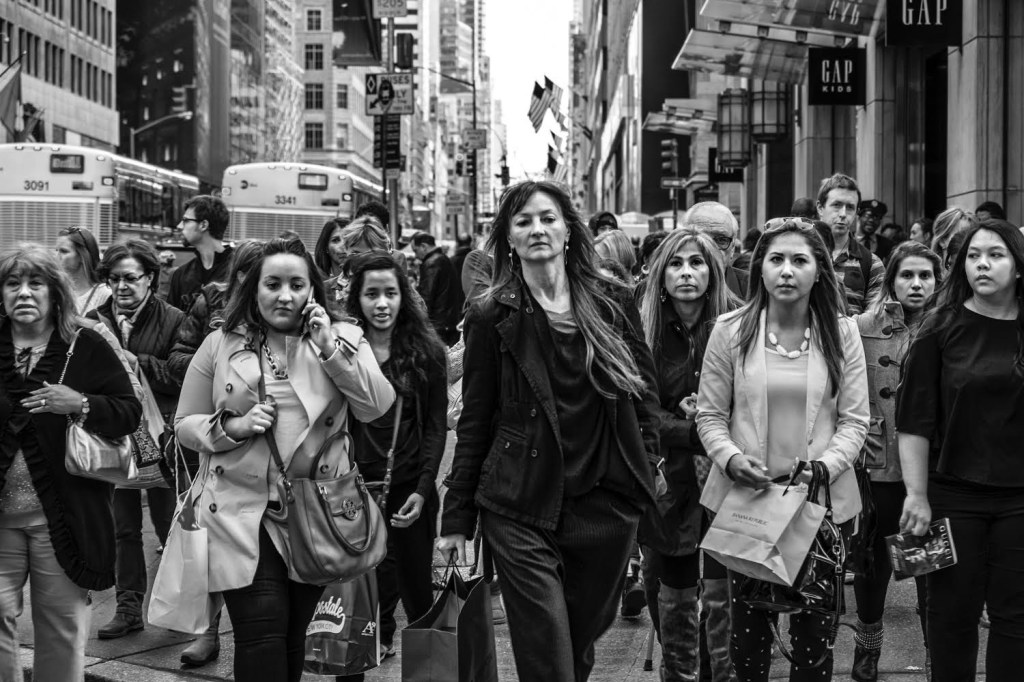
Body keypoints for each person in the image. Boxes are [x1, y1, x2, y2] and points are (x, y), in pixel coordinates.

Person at [436, 180, 660, 681]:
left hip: (604, 505)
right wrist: (456, 517)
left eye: (547, 218)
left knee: (575, 648)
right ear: (508, 238)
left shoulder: (612, 301)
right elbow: (475, 420)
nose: (537, 229)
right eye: (523, 221)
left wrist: (646, 465)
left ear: (568, 230)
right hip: (520, 503)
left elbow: (643, 393)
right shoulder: (490, 313)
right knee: (548, 655)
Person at [174, 238, 394, 682]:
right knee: (261, 632)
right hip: (239, 512)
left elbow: (376, 406)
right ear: (254, 289)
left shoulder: (345, 338)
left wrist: (329, 348)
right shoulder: (221, 344)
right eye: (272, 284)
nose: (285, 295)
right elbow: (183, 423)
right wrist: (233, 427)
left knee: (295, 636)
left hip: (316, 515)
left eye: (297, 284)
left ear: (313, 290)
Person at [696, 217, 869, 681]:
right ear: (760, 268)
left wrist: (824, 466)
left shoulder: (843, 333)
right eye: (776, 259)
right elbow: (709, 415)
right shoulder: (730, 330)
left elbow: (855, 420)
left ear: (819, 270)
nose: (787, 270)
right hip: (749, 505)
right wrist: (731, 459)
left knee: (814, 646)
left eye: (799, 260)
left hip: (820, 507)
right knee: (749, 643)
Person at [0, 245, 141, 682]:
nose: (24, 292)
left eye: (36, 283)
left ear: (55, 291)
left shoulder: (86, 343)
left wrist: (79, 403)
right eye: (12, 283)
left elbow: (128, 412)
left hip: (65, 517)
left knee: (61, 629)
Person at [896, 219, 1024, 682]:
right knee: (950, 618)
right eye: (973, 256)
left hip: (1020, 499)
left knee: (1017, 620)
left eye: (995, 255)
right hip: (951, 496)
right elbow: (914, 420)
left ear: (1018, 266)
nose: (982, 265)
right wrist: (916, 495)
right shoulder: (940, 326)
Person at [638, 228, 738, 682]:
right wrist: (697, 430)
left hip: (728, 476)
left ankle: (719, 673)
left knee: (723, 591)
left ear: (712, 272)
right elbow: (640, 409)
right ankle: (679, 673)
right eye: (676, 264)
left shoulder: (738, 324)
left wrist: (714, 422)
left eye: (696, 263)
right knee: (672, 590)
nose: (686, 273)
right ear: (661, 274)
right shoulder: (644, 329)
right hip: (667, 477)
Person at [344, 252, 447, 663]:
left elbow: (435, 426)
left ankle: (427, 664)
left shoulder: (426, 352)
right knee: (365, 580)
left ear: (404, 296)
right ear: (358, 298)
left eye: (390, 292)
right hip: (353, 487)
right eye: (372, 294)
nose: (382, 303)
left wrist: (423, 488)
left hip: (408, 486)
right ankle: (375, 640)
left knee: (417, 584)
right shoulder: (344, 350)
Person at [165, 240, 263, 667]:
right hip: (221, 464)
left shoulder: (302, 329)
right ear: (240, 275)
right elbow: (179, 357)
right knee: (212, 549)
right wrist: (213, 375)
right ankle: (207, 631)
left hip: (276, 482)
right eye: (257, 274)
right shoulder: (213, 309)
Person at [851, 241, 940, 681]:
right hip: (878, 462)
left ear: (938, 282)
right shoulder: (861, 327)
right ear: (891, 280)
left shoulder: (947, 326)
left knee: (925, 564)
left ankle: (934, 652)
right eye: (907, 275)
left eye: (925, 275)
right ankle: (867, 646)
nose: (916, 283)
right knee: (873, 564)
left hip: (927, 467)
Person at [88, 239, 185, 640]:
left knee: (170, 526)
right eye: (113, 279)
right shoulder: (94, 319)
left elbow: (183, 375)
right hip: (114, 437)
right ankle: (128, 608)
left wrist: (136, 362)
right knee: (123, 528)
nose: (121, 286)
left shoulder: (175, 319)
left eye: (130, 278)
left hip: (161, 438)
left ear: (150, 278)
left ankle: (181, 606)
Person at [816, 173, 885, 315]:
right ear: (820, 208)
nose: (843, 213)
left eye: (850, 207)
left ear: (856, 212)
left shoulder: (871, 264)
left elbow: (875, 319)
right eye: (836, 205)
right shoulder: (799, 255)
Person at [168, 195, 233, 312]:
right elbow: (171, 320)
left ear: (203, 225)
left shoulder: (237, 271)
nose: (179, 226)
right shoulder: (180, 275)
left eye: (186, 221)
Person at [319, 215, 392, 319]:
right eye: (356, 254)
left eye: (370, 254)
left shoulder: (398, 290)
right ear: (346, 251)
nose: (363, 260)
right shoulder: (325, 290)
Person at [685, 201, 749, 299]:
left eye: (721, 240)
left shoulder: (755, 289)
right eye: (699, 239)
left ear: (732, 248)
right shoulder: (666, 287)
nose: (710, 249)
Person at [411, 231, 463, 345]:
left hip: (438, 324)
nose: (415, 255)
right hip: (448, 322)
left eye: (415, 250)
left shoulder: (432, 263)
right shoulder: (443, 259)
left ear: (423, 246)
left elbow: (426, 297)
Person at [54, 225, 110, 315]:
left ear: (82, 256)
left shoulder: (105, 294)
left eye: (64, 251)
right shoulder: (56, 290)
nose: (56, 257)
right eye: (56, 250)